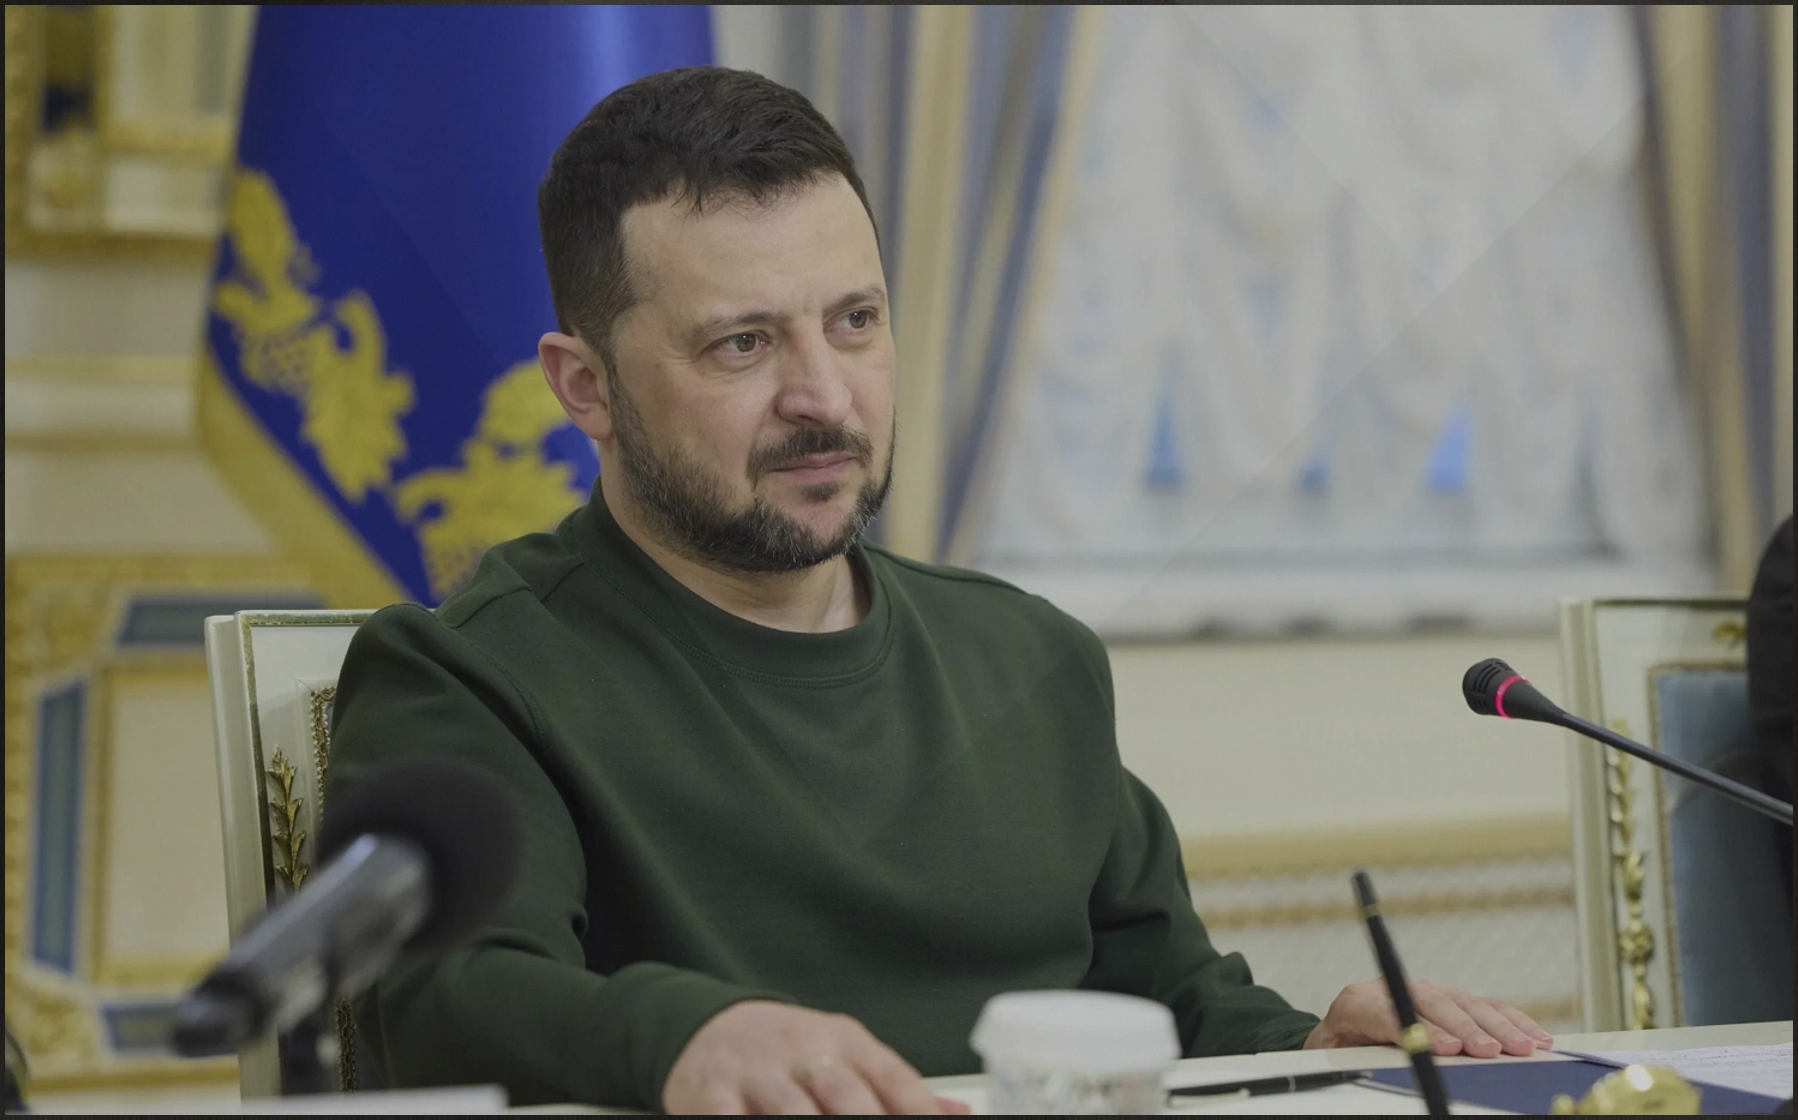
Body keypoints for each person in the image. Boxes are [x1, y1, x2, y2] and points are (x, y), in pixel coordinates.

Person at [327, 66, 1552, 1114]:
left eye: (855, 320)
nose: (824, 395)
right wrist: (685, 1035)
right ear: (584, 386)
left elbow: (1174, 1003)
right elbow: (443, 1000)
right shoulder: (469, 672)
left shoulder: (1029, 654)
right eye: (742, 343)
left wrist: (1313, 1044)